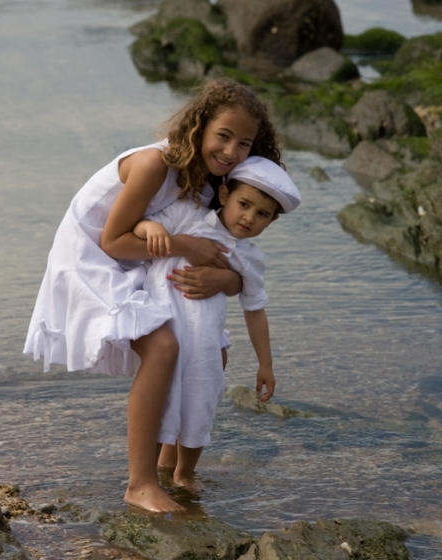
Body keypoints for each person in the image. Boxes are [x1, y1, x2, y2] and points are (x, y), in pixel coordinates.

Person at [23, 77, 284, 513]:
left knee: (205, 350)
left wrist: (226, 281)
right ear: (199, 126)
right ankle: (139, 484)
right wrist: (184, 246)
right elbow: (113, 241)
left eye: (244, 143)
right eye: (223, 136)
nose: (231, 151)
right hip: (93, 258)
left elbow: (225, 254)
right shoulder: (153, 165)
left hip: (143, 258)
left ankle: (168, 467)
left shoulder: (211, 180)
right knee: (162, 347)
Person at [132, 156, 301, 488]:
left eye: (262, 214)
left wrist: (265, 364)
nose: (249, 217)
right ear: (224, 196)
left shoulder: (247, 257)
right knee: (162, 402)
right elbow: (140, 223)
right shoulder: (187, 217)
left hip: (205, 343)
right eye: (244, 204)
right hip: (164, 332)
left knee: (201, 402)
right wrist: (149, 228)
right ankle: (147, 476)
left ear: (273, 221)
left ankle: (183, 474)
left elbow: (255, 309)